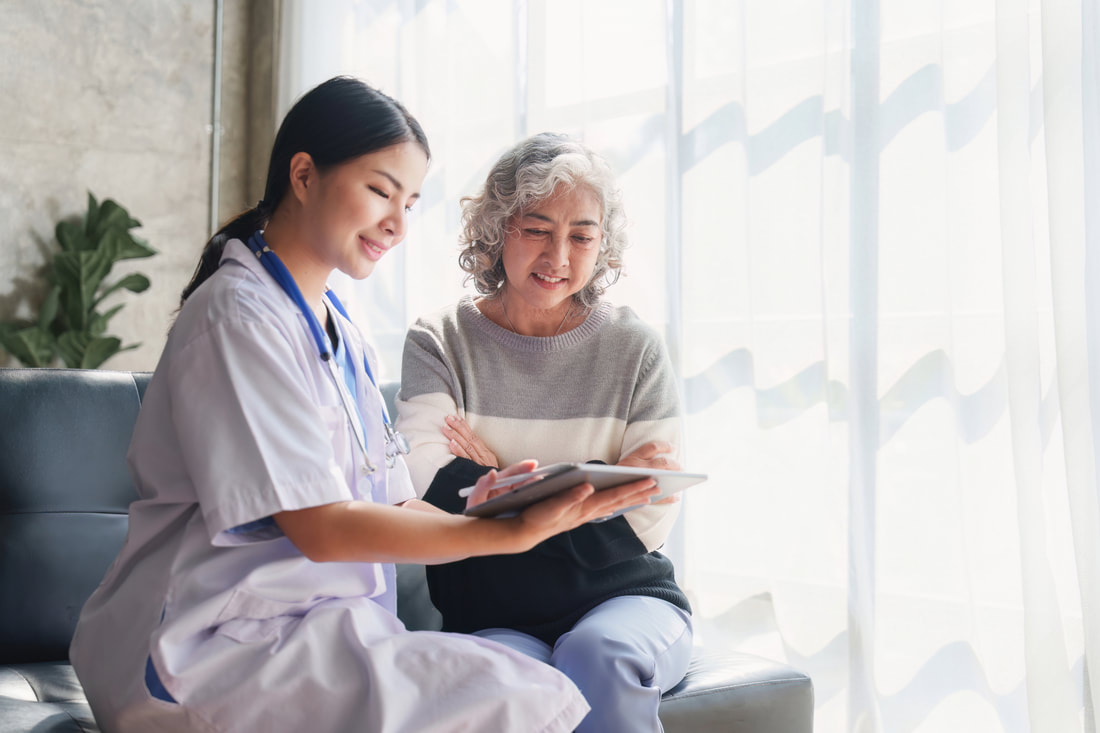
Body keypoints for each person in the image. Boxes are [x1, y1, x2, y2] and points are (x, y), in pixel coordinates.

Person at [68, 78, 661, 733]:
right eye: (381, 190)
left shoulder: (341, 331)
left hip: (311, 630)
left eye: (409, 201)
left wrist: (490, 501)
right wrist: (500, 534)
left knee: (525, 689)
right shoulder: (237, 317)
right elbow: (320, 525)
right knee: (515, 700)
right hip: (206, 646)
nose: (398, 224)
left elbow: (390, 504)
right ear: (304, 175)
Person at [397, 132, 694, 733]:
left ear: (601, 245)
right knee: (507, 682)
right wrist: (592, 491)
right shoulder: (439, 341)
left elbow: (649, 510)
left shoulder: (634, 348)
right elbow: (427, 479)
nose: (559, 255)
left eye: (581, 236)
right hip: (488, 611)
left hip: (625, 599)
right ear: (496, 228)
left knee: (596, 654)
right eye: (536, 229)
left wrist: (495, 481)